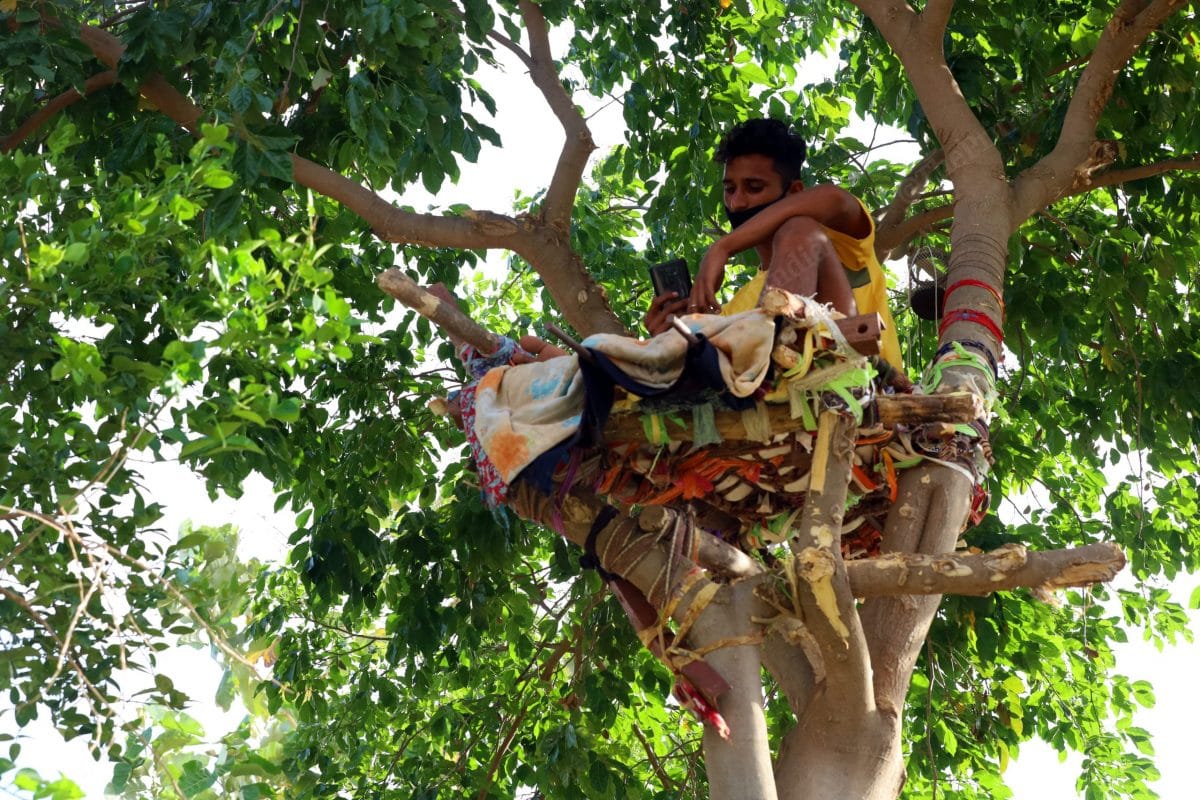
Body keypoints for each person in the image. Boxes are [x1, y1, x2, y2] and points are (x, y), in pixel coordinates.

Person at [644, 118, 903, 371]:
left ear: (795, 192)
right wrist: (666, 340)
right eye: (730, 189)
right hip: (763, 405)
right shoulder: (735, 308)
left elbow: (834, 198)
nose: (736, 203)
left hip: (852, 393)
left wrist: (722, 247)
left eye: (754, 187)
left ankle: (770, 366)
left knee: (800, 228)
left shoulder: (844, 244)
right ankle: (765, 362)